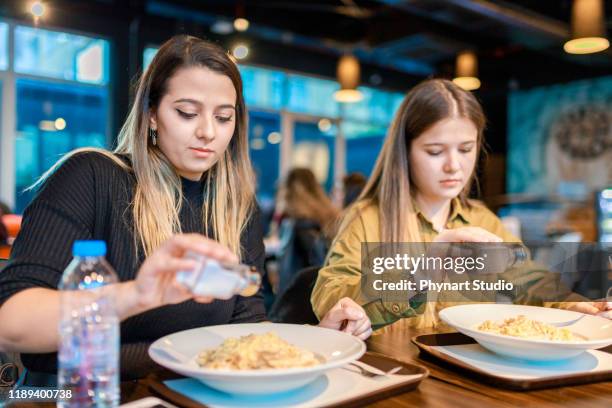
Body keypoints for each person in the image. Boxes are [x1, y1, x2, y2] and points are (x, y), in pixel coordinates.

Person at [0, 35, 371, 385]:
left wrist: (315, 342)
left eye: (224, 118)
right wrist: (139, 295)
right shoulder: (92, 177)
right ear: (152, 114)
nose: (208, 132)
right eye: (187, 112)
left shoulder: (235, 206)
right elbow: (12, 323)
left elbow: (244, 328)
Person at [311, 79, 610, 331]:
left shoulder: (482, 220)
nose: (454, 166)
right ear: (405, 152)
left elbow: (528, 279)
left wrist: (571, 303)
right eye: (435, 151)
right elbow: (330, 296)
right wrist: (422, 270)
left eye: (466, 149)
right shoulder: (366, 218)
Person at [276, 168, 339, 293]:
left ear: (289, 192)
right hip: (322, 295)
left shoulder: (298, 225)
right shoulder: (328, 219)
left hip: (297, 300)